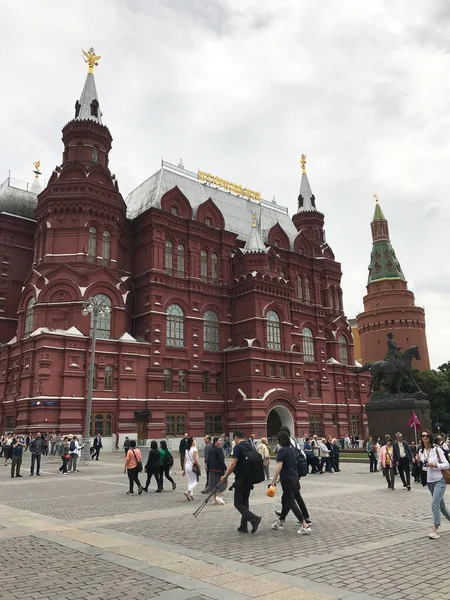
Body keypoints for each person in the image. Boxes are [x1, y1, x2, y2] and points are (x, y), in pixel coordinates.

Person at [270, 430, 312, 535]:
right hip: (294, 478)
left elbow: (279, 466)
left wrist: (273, 481)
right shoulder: (292, 450)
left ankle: (304, 524)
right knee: (286, 501)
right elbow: (291, 465)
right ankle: (280, 521)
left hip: (287, 480)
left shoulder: (282, 451)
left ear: (280, 440)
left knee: (291, 502)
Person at [220, 431, 261, 534]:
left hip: (241, 478)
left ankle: (253, 519)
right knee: (245, 502)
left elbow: (233, 464)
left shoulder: (238, 447)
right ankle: (243, 526)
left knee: (238, 503)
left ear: (236, 438)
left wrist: (225, 476)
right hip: (250, 479)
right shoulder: (249, 445)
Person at [417, 429, 450, 539]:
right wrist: (417, 461)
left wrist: (435, 465)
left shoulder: (436, 450)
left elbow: (446, 465)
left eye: (427, 436)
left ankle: (435, 529)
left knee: (434, 504)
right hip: (430, 481)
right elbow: (424, 466)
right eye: (423, 436)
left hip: (439, 480)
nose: (425, 438)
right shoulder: (421, 452)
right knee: (441, 506)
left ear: (430, 438)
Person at [206, 436, 227, 504]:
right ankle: (219, 496)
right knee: (223, 482)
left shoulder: (212, 449)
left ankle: (214, 499)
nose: (221, 442)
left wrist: (208, 468)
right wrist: (225, 468)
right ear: (216, 441)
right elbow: (221, 459)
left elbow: (209, 459)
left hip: (212, 469)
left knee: (213, 484)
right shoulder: (218, 449)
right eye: (219, 440)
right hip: (218, 469)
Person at [183, 436, 200, 501]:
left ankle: (191, 495)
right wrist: (198, 466)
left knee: (190, 481)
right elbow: (195, 460)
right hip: (192, 466)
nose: (195, 441)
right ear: (192, 442)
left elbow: (185, 460)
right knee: (195, 481)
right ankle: (188, 491)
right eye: (194, 440)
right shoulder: (194, 450)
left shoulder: (187, 450)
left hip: (187, 466)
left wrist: (184, 469)